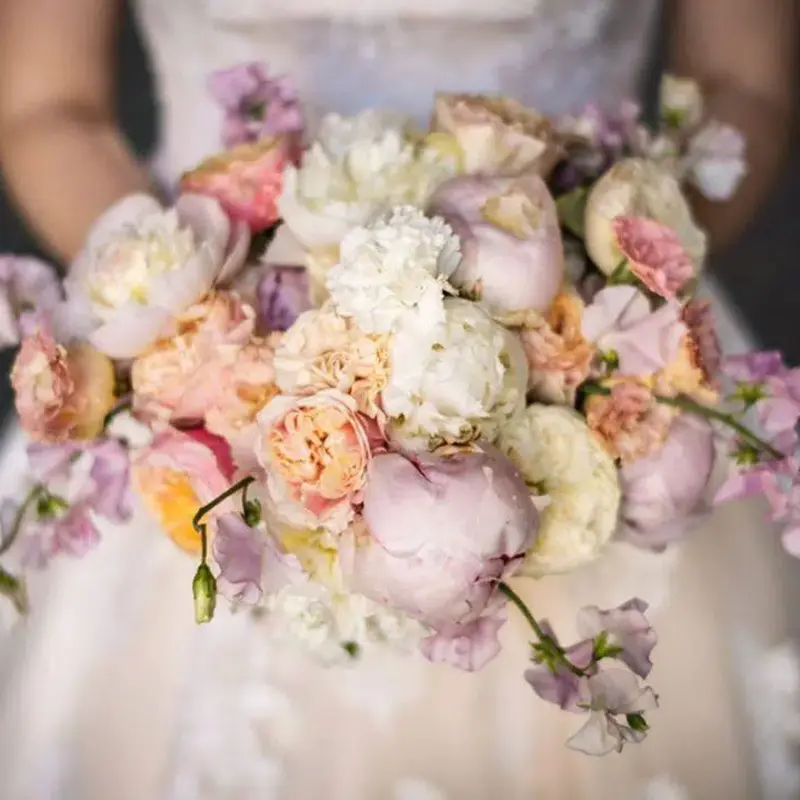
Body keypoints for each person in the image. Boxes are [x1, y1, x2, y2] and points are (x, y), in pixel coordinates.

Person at [0, 0, 796, 798]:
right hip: (214, 393)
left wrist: (586, 303)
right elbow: (48, 105)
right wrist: (207, 334)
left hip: (601, 363)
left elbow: (743, 84)